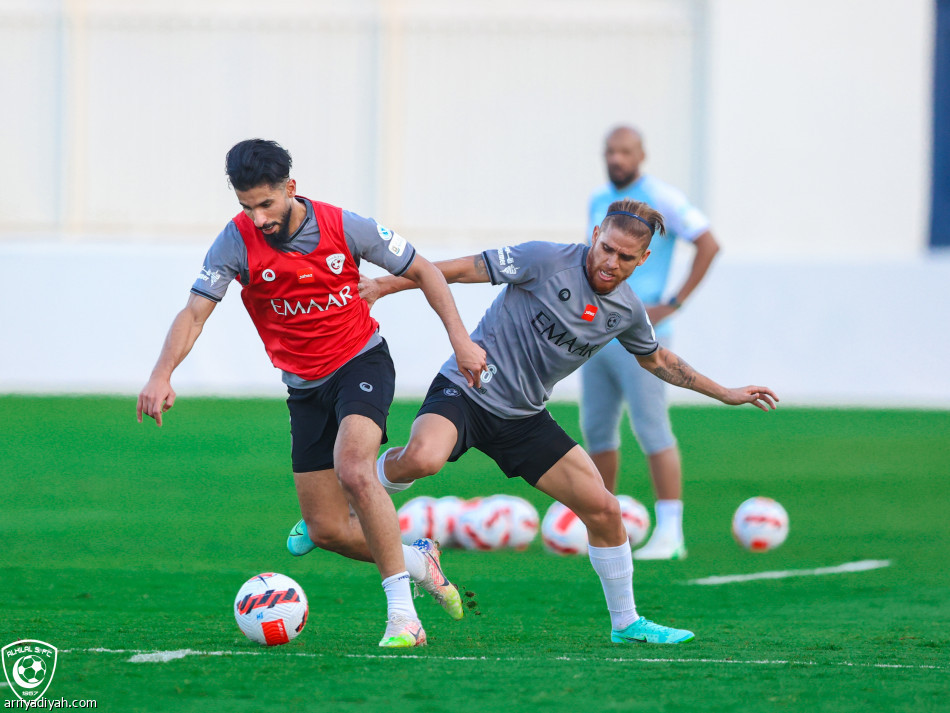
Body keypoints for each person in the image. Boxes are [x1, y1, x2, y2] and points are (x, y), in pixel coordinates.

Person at [289, 198, 778, 645]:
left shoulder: (626, 311)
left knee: (605, 510)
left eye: (625, 258)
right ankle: (344, 497)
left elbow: (659, 361)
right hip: (467, 388)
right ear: (594, 234)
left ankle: (627, 623)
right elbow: (457, 270)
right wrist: (384, 284)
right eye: (606, 248)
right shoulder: (544, 259)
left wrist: (727, 393)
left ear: (643, 260)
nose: (611, 262)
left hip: (524, 418)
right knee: (423, 458)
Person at [137, 139, 487, 648]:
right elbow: (195, 311)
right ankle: (418, 559)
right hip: (303, 388)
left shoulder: (345, 226)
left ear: (290, 189)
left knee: (353, 468)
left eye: (266, 204)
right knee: (325, 530)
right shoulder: (235, 242)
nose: (257, 218)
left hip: (360, 363)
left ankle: (403, 618)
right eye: (246, 207)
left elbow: (425, 270)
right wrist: (161, 373)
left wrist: (460, 338)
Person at [580, 125, 721, 561]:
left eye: (624, 151)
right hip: (595, 332)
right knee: (597, 429)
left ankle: (671, 532)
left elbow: (709, 243)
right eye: (610, 151)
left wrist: (673, 303)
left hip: (642, 333)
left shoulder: (663, 198)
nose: (616, 158)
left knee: (651, 428)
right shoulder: (597, 201)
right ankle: (602, 529)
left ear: (641, 154)